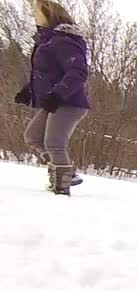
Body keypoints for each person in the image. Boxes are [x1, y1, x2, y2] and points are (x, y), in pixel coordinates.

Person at [14, 0, 89, 195]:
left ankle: (61, 188)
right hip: (56, 101)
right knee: (33, 136)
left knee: (54, 143)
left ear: (49, 16)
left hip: (69, 102)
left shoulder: (64, 40)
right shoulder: (48, 40)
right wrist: (29, 90)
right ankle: (66, 172)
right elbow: (48, 74)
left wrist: (58, 94)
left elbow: (77, 71)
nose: (34, 18)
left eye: (37, 14)